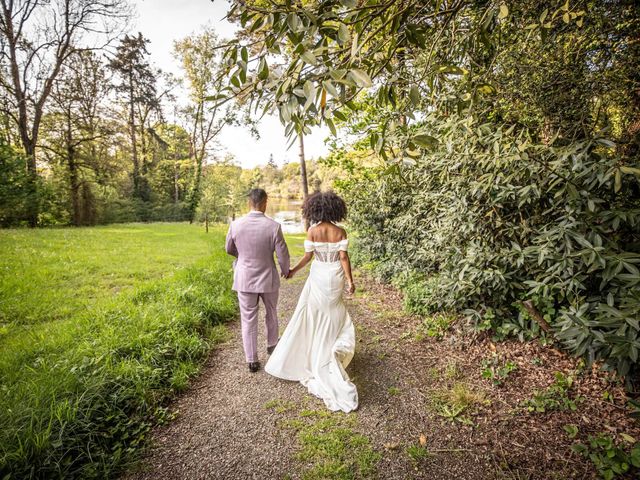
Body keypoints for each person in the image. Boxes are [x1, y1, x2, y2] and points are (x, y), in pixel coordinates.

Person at [265, 191, 358, 412]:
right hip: (334, 275)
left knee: (314, 313)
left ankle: (316, 349)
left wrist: (293, 271)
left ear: (314, 210)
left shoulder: (312, 231)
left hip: (318, 275)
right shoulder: (340, 231)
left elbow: (308, 257)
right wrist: (350, 281)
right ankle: (330, 349)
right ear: (335, 209)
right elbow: (343, 257)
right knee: (333, 312)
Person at [225, 188, 290, 373]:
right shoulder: (273, 226)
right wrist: (286, 270)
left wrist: (243, 257)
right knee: (271, 312)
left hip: (244, 278)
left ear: (249, 203)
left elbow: (229, 248)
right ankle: (272, 347)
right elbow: (282, 254)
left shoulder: (236, 225)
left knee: (248, 318)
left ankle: (252, 360)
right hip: (267, 278)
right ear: (264, 202)